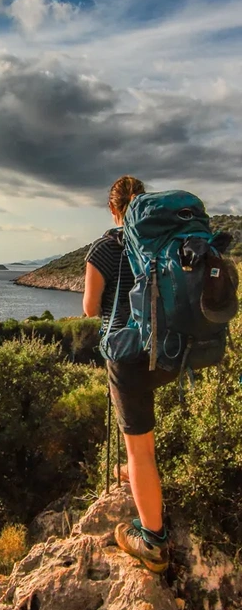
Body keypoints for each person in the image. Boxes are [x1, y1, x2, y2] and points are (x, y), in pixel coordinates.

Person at [83, 175, 179, 573]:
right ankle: (138, 475)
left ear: (113, 209)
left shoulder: (104, 248)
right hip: (169, 353)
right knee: (142, 440)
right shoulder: (164, 243)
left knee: (139, 448)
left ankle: (152, 541)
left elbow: (90, 308)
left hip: (129, 357)